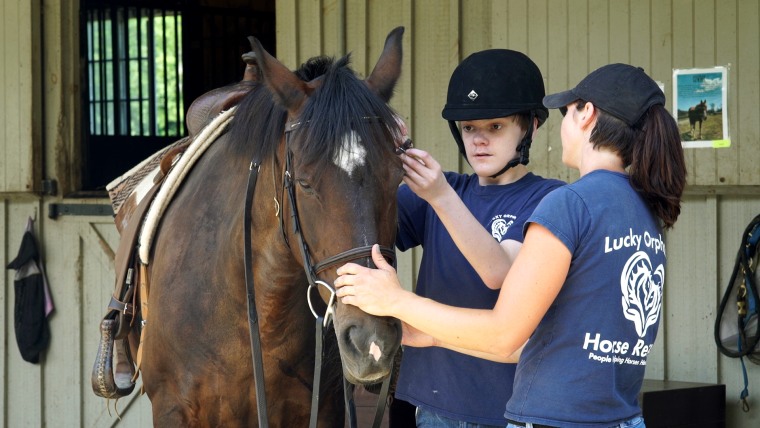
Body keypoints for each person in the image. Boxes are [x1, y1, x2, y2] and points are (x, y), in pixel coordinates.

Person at [336, 63, 686, 427]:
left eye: (566, 111)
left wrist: (398, 301)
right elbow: (538, 342)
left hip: (552, 415)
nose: (479, 139)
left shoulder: (566, 202)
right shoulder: (643, 208)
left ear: (587, 114)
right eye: (469, 128)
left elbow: (505, 332)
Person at [388, 49, 564, 427]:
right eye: (469, 128)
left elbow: (500, 272)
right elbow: (358, 225)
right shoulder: (442, 190)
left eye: (495, 127)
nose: (479, 141)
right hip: (431, 405)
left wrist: (439, 196)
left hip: (509, 410)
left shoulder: (549, 198)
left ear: (531, 127)